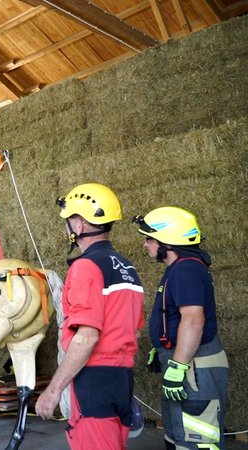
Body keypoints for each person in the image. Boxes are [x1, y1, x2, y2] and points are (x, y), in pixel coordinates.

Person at [35, 182, 145, 450]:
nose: (66, 226)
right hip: (121, 378)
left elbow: (87, 337)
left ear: (80, 224)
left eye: (68, 220)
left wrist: (53, 390)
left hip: (93, 379)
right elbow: (136, 330)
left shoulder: (86, 267)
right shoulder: (127, 268)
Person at [134, 207, 229, 450]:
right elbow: (177, 317)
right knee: (178, 435)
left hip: (193, 367)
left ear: (168, 242)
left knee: (197, 439)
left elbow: (193, 320)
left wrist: (177, 365)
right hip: (186, 362)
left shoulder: (186, 270)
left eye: (149, 238)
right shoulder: (180, 269)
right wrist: (165, 344)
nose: (145, 245)